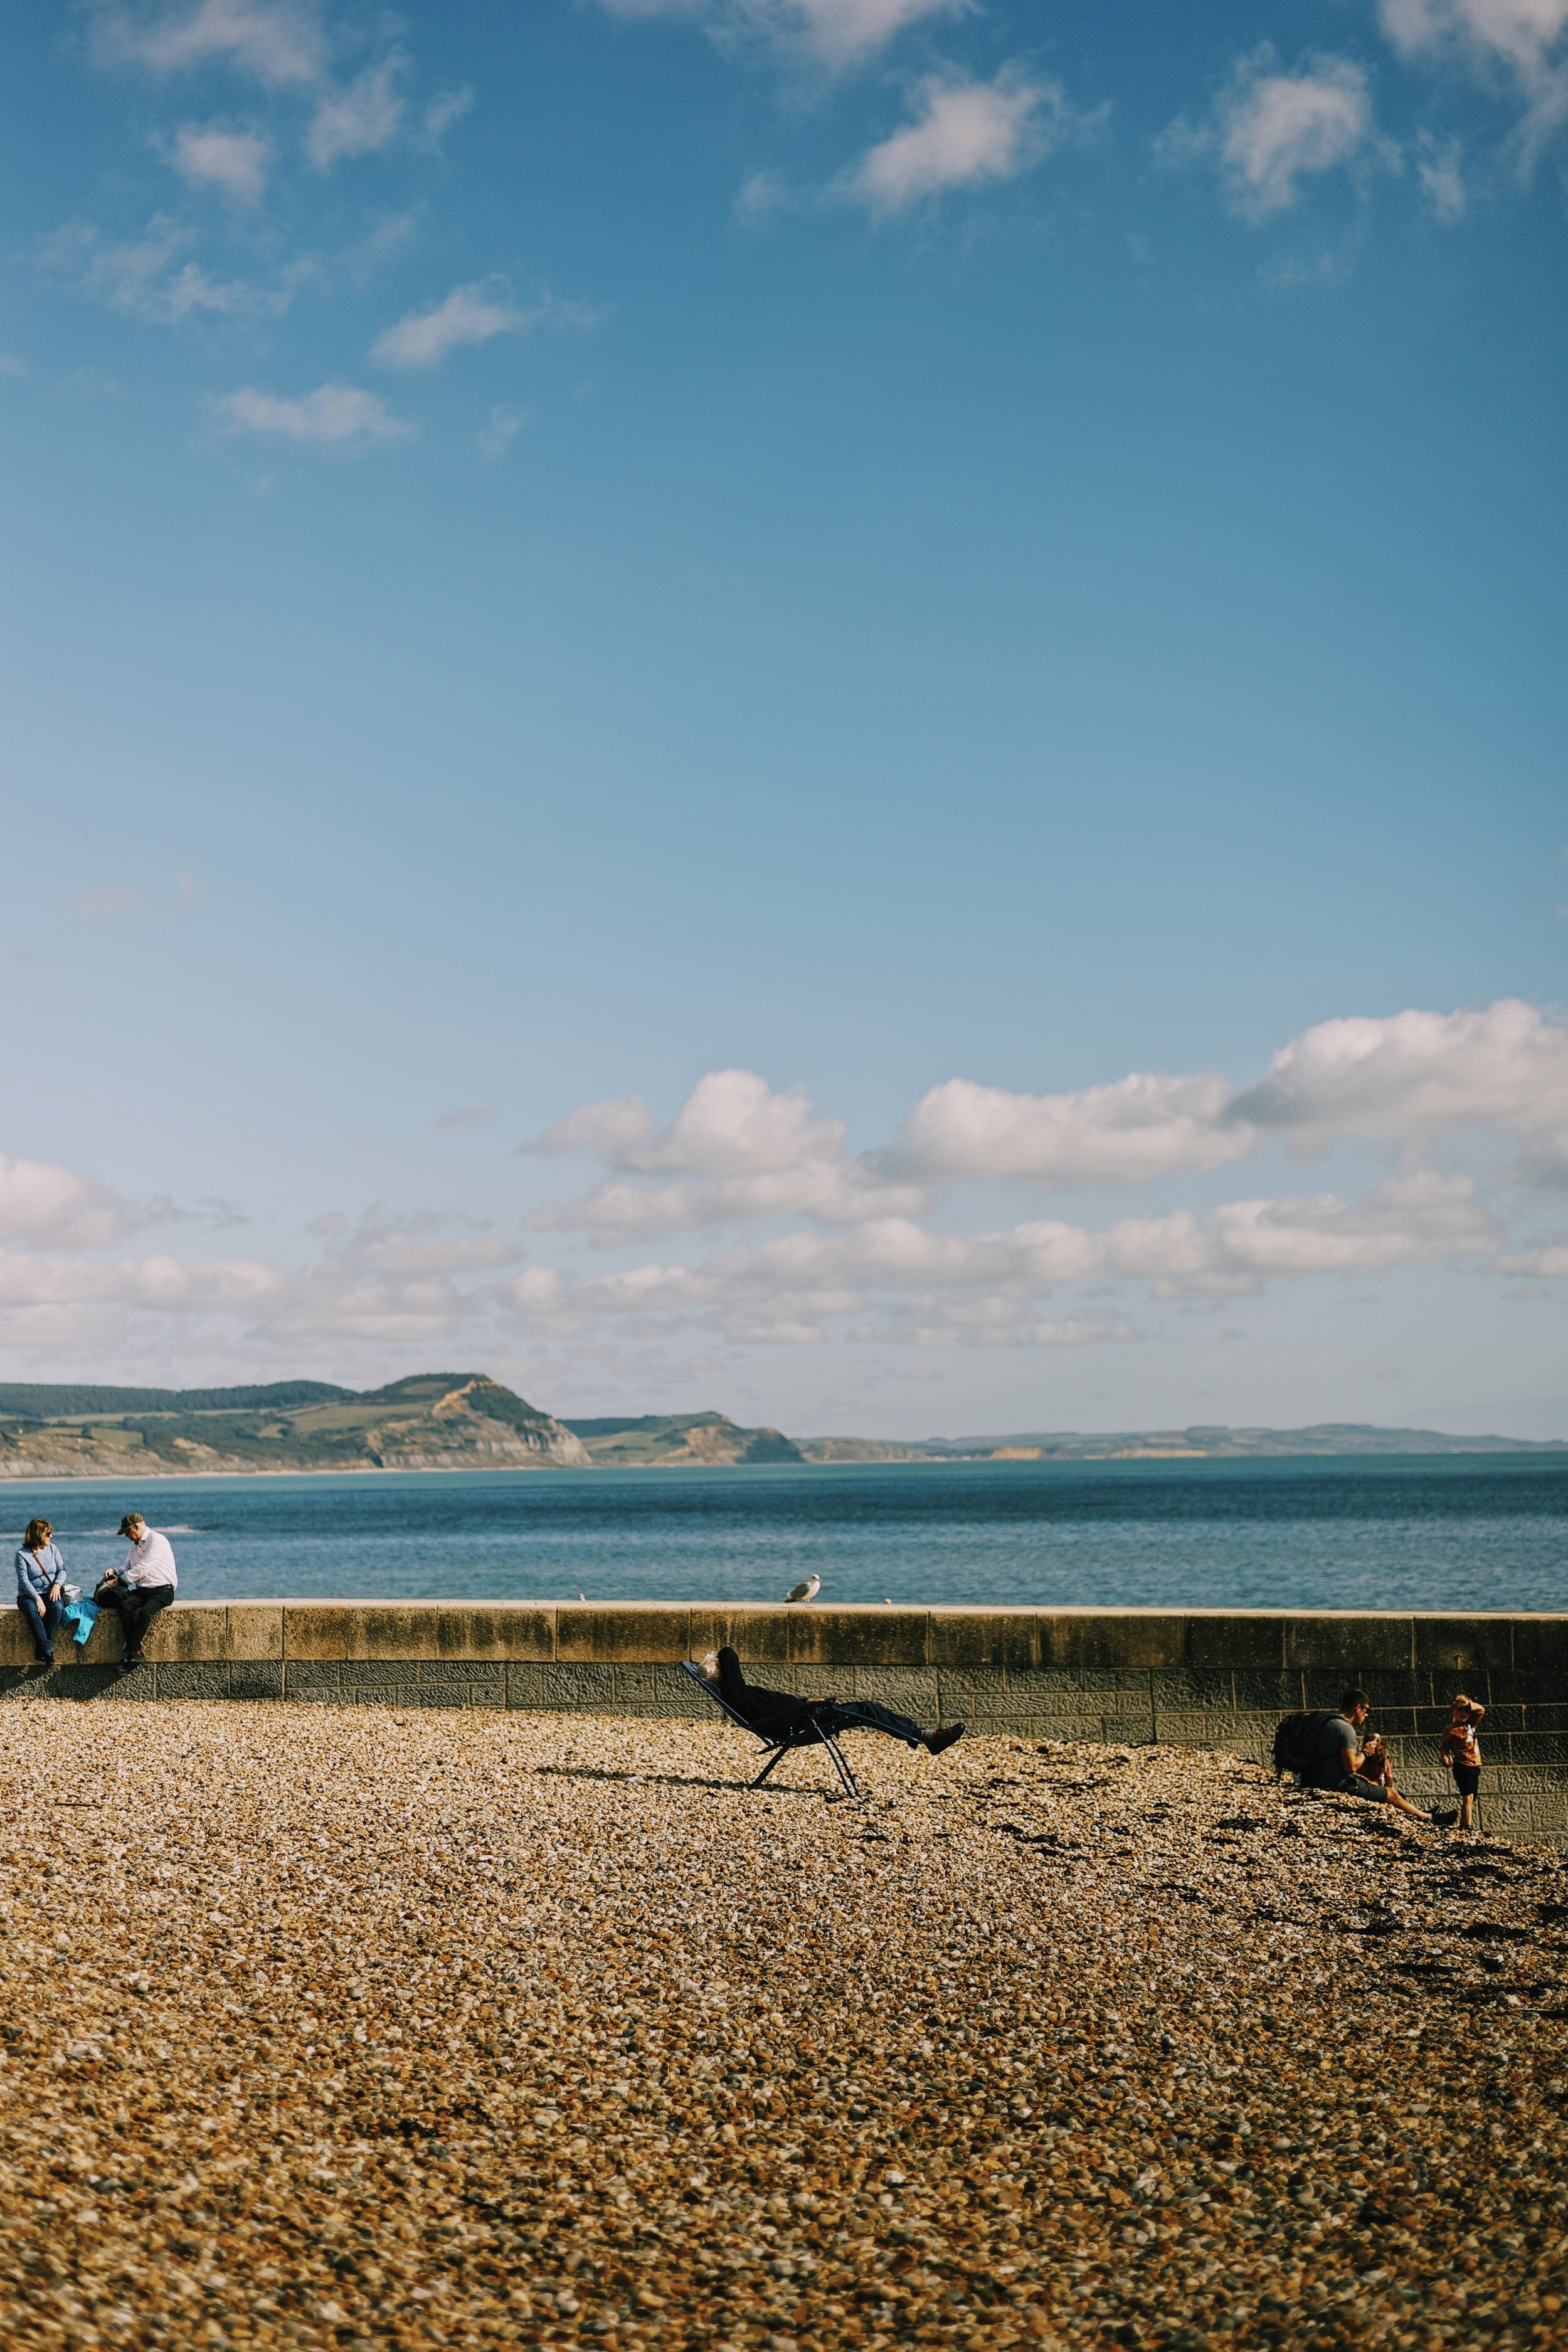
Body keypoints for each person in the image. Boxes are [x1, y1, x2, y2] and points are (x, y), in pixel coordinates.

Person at [699, 1646, 963, 1757]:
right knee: (867, 1709)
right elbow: (729, 1653)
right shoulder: (734, 1692)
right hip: (803, 1723)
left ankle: (922, 1735)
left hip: (804, 1716)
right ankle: (924, 1736)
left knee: (867, 1710)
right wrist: (718, 1657)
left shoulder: (739, 1693)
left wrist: (806, 1701)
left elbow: (773, 1705)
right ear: (723, 1673)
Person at [1302, 1688, 1456, 1825]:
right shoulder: (1346, 1730)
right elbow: (1351, 1767)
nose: (1367, 1715)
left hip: (1317, 1778)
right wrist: (1365, 1752)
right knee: (1392, 1794)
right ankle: (1430, 1818)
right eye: (1367, 1711)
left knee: (1383, 1789)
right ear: (1358, 1708)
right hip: (1337, 1784)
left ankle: (1422, 1812)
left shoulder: (1327, 1723)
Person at [97, 1513, 177, 1667]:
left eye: (127, 1532)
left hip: (163, 1590)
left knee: (145, 1612)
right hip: (144, 1589)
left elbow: (143, 1568)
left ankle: (130, 1652)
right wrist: (115, 1571)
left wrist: (118, 1581)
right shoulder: (136, 1546)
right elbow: (128, 1567)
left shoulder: (157, 1540)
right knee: (124, 1606)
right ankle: (136, 1651)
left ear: (136, 1527)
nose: (127, 1536)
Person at [14, 1518, 67, 1665]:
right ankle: (47, 1649)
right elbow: (24, 1581)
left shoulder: (53, 1549)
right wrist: (37, 1599)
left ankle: (42, 1649)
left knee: (57, 1608)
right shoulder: (22, 1555)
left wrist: (57, 1584)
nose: (51, 1536)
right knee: (32, 1611)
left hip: (50, 1591)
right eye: (48, 1534)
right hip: (28, 1595)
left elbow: (62, 1570)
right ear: (38, 1534)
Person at [1439, 1693, 1485, 1835]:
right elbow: (1444, 1747)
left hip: (1474, 1765)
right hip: (1461, 1766)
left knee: (1472, 1799)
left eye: (1466, 1711)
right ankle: (1467, 1826)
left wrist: (1468, 1703)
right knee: (1468, 1796)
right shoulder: (1450, 1730)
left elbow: (1481, 1710)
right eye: (1460, 1710)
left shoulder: (1470, 1725)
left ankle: (1464, 1823)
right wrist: (1445, 1758)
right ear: (1453, 1711)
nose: (1463, 1713)